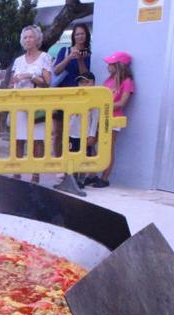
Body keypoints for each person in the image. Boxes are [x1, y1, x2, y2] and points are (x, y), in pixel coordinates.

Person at [9, 25, 52, 183]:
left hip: (38, 104)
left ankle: (35, 174)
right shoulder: (18, 60)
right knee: (18, 138)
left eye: (30, 37)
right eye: (25, 37)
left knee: (37, 139)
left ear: (37, 39)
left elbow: (47, 82)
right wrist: (16, 80)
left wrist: (30, 76)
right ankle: (17, 172)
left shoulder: (45, 57)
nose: (27, 40)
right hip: (19, 103)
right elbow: (12, 80)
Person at [85, 51, 134, 188]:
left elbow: (123, 102)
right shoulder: (108, 80)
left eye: (110, 64)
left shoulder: (127, 81)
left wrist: (105, 107)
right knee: (91, 143)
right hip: (99, 118)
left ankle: (105, 178)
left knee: (108, 148)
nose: (107, 66)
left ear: (119, 65)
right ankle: (92, 174)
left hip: (113, 119)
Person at [51, 23, 91, 157]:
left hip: (78, 97)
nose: (80, 36)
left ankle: (70, 162)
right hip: (62, 96)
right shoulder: (64, 50)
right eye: (77, 34)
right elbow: (56, 71)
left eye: (82, 34)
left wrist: (80, 60)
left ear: (86, 36)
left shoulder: (89, 54)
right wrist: (69, 58)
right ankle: (58, 163)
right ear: (73, 36)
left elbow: (86, 77)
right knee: (57, 132)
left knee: (73, 132)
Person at [55, 72, 99, 191]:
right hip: (71, 133)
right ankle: (71, 178)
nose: (83, 84)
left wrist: (91, 135)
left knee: (84, 157)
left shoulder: (94, 99)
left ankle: (81, 180)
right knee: (70, 156)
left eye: (87, 82)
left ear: (93, 83)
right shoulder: (74, 97)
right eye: (81, 82)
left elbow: (95, 119)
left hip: (84, 134)